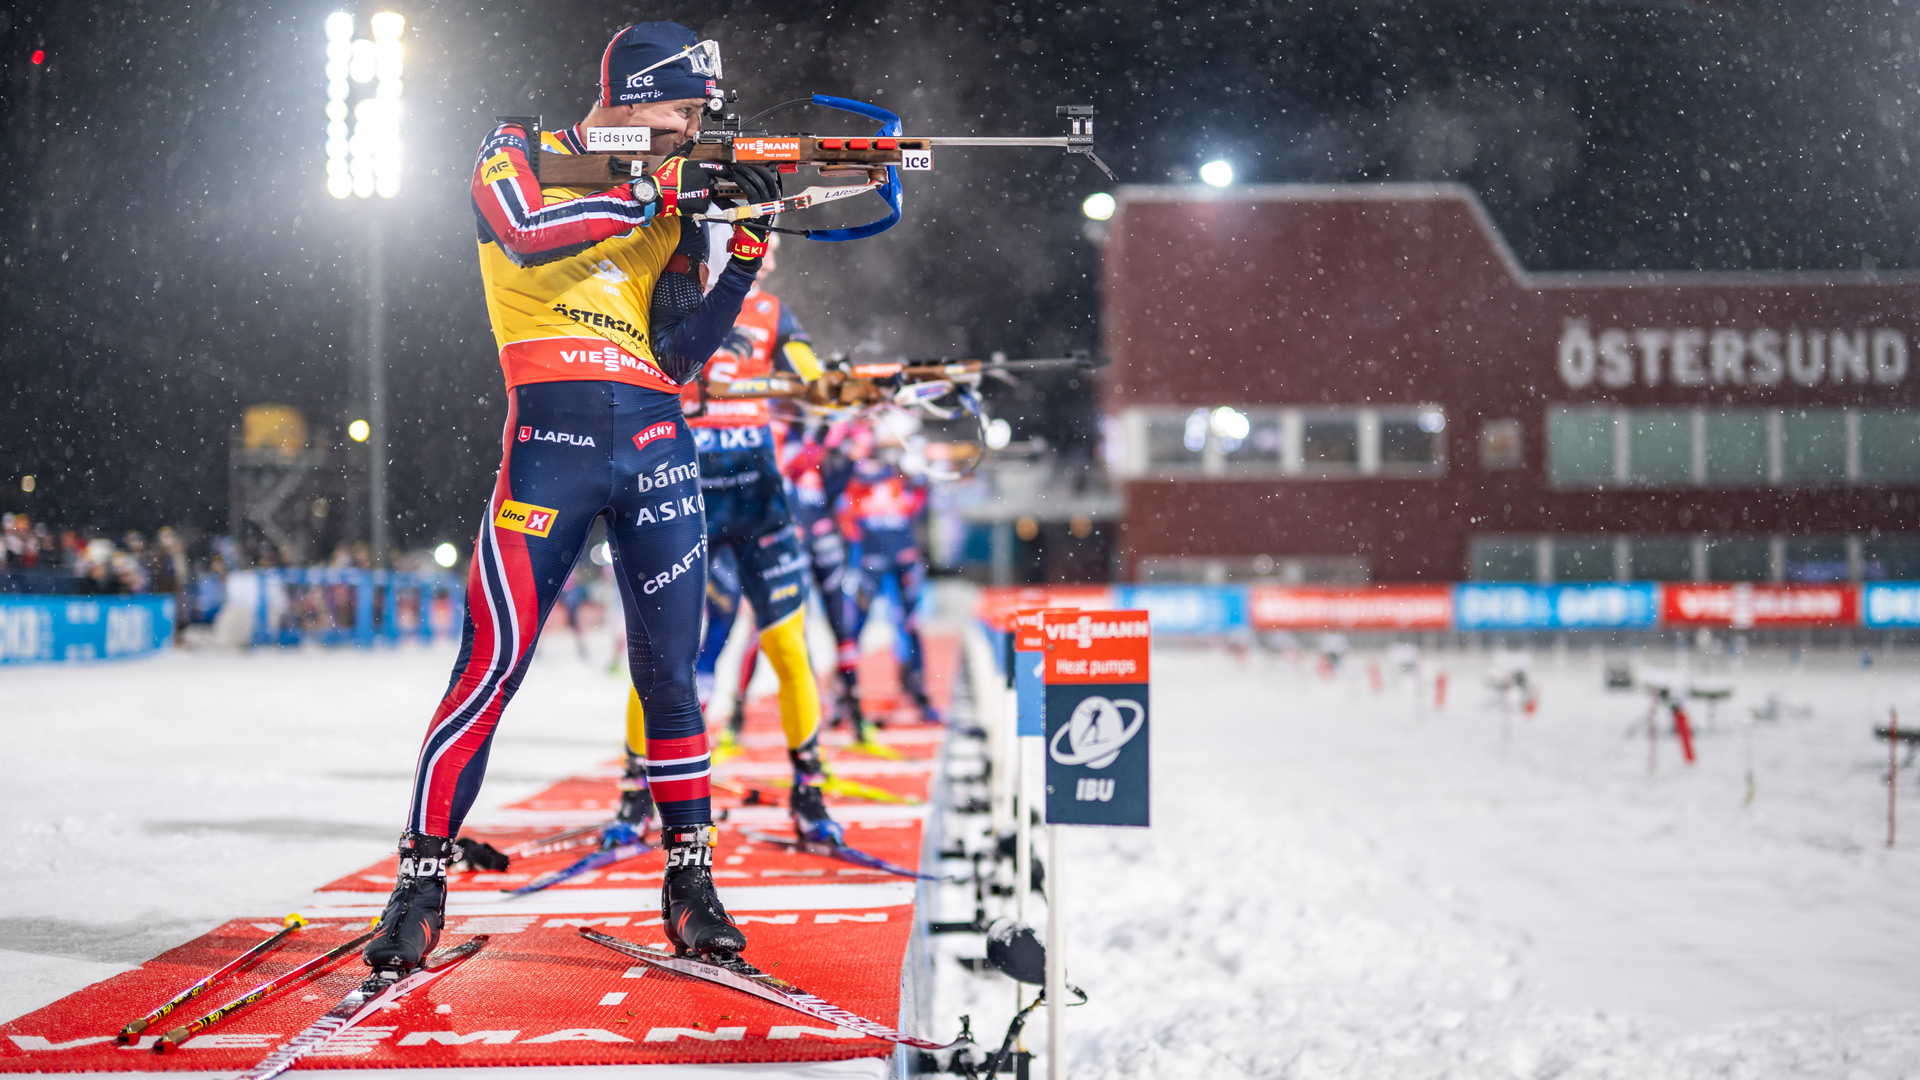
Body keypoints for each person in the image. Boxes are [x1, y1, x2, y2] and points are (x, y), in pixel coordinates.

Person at [363, 22, 780, 974]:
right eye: (682, 112)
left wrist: (743, 254)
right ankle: (419, 886)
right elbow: (521, 230)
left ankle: (691, 883)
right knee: (489, 666)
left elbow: (679, 354)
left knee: (672, 677)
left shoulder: (674, 207)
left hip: (656, 442)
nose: (691, 132)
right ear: (634, 93)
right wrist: (648, 194)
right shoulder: (518, 146)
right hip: (549, 444)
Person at [617, 233, 846, 847]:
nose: (770, 254)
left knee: (789, 650)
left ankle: (809, 790)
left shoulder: (772, 312)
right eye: (757, 242)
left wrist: (829, 382)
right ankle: (636, 790)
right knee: (661, 658)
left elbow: (808, 369)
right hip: (684, 498)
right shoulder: (671, 300)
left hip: (757, 503)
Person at [840, 423, 939, 721]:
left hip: (903, 555)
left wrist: (918, 470)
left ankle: (917, 689)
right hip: (869, 558)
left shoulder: (901, 471)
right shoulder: (855, 470)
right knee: (852, 627)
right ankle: (846, 693)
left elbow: (919, 499)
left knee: (910, 623)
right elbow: (852, 485)